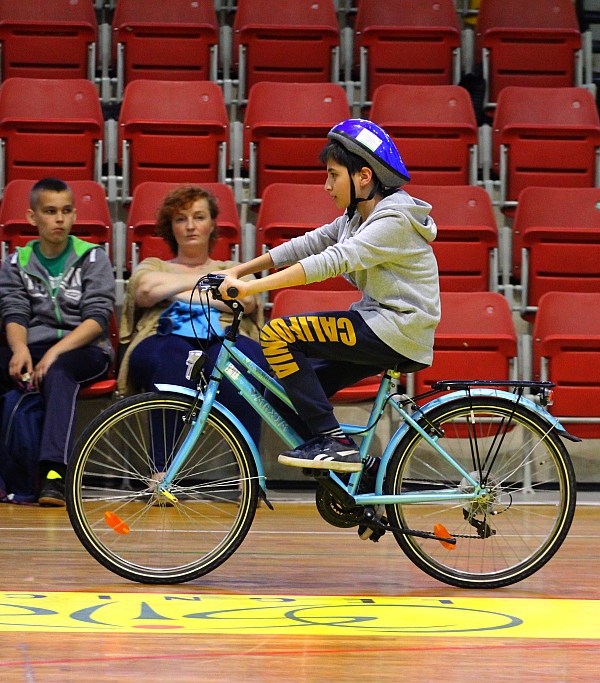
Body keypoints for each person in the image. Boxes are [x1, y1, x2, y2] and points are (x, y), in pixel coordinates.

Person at [217, 118, 440, 473]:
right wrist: (239, 270)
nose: (326, 185)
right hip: (378, 325)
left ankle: (333, 443)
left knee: (277, 333)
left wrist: (251, 287)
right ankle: (360, 480)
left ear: (363, 177)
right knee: (283, 393)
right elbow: (309, 244)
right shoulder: (357, 216)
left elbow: (331, 261)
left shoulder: (392, 221)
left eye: (333, 175)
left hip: (396, 329)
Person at [0, 178, 116, 508]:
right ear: (32, 217)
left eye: (66, 211)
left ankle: (53, 475)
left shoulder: (93, 258)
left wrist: (53, 353)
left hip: (85, 349)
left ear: (75, 215)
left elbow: (98, 318)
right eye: (50, 212)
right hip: (33, 346)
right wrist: (20, 349)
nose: (59, 219)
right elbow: (14, 312)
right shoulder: (16, 263)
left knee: (58, 373)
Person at [120, 185, 266, 445]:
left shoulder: (232, 267)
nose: (190, 226)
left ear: (211, 225)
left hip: (225, 336)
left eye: (199, 217)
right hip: (162, 335)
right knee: (174, 358)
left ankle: (250, 475)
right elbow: (144, 291)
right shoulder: (154, 265)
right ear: (171, 227)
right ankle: (162, 471)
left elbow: (246, 300)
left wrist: (173, 290)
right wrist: (211, 284)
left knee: (239, 362)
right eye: (180, 219)